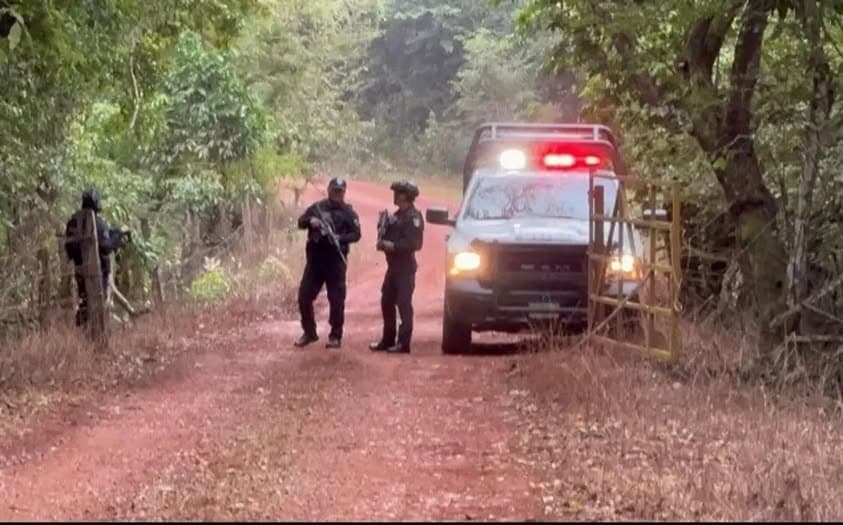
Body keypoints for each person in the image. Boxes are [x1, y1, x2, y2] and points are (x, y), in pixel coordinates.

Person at [294, 177, 361, 349]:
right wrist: (311, 222)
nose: (337, 194)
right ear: (329, 190)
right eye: (335, 190)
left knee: (337, 300)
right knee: (304, 297)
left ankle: (335, 336)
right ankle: (309, 332)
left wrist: (339, 238)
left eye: (340, 191)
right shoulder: (317, 208)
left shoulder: (348, 213)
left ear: (344, 193)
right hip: (315, 262)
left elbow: (356, 234)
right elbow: (300, 222)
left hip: (335, 263)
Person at [369, 180, 424, 354]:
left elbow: (414, 243)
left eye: (398, 193)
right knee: (386, 301)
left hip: (405, 267)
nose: (394, 196)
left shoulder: (413, 217)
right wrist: (382, 239)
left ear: (405, 196)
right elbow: (388, 237)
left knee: (403, 304)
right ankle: (388, 339)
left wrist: (392, 246)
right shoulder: (397, 215)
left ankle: (403, 343)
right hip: (393, 267)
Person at [64, 188, 131, 326]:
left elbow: (103, 235)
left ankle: (84, 335)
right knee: (97, 305)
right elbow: (105, 246)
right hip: (98, 272)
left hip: (80, 269)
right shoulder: (96, 222)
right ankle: (97, 339)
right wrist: (118, 237)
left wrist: (118, 232)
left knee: (85, 302)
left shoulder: (74, 220)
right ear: (95, 202)